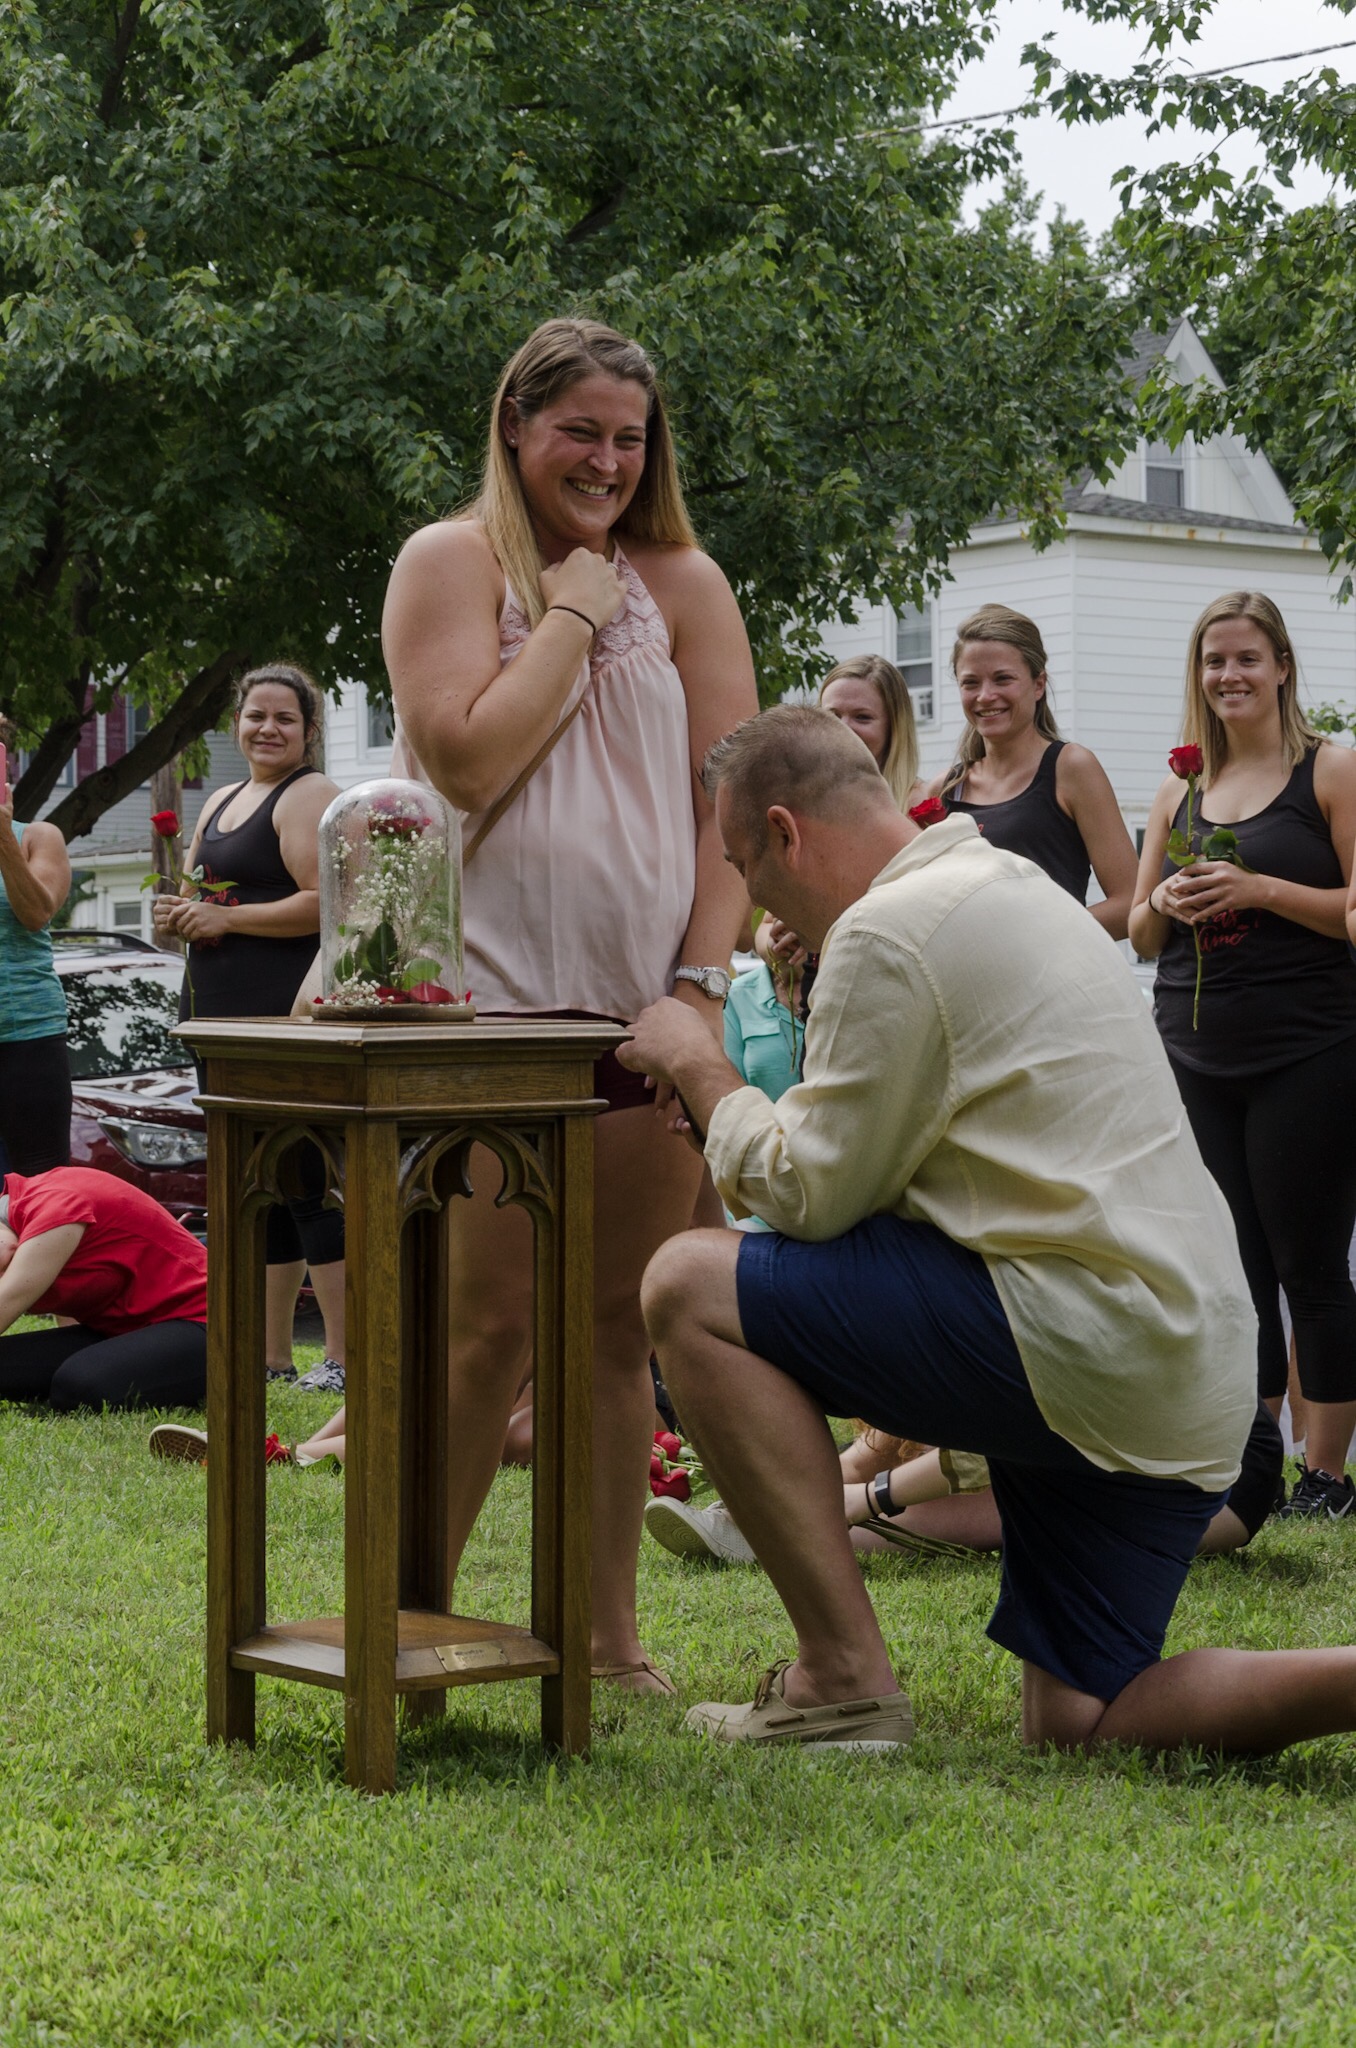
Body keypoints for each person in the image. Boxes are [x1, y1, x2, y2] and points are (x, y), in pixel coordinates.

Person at [623, 705, 1356, 1758]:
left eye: (746, 870)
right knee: (1079, 1724)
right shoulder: (1016, 886)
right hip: (1181, 1372)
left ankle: (841, 1679)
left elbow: (812, 1191)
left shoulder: (889, 929)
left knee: (688, 1286)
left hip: (1082, 1342)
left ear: (786, 832)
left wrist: (701, 1068)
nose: (756, 910)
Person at [383, 317, 756, 1692]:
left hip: (643, 1019)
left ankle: (607, 1643)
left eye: (629, 437)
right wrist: (576, 613)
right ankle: (410, 1621)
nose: (607, 460)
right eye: (579, 432)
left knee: (613, 1332)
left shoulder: (691, 584)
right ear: (514, 426)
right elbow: (466, 762)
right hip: (489, 1015)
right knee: (483, 1331)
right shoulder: (448, 563)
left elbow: (729, 811)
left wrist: (698, 988)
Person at [1131, 592, 1356, 1520]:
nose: (1229, 675)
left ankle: (1327, 1478)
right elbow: (1139, 934)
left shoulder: (1331, 769)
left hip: (1309, 1048)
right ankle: (1249, 1463)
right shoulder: (1177, 791)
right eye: (1214, 660)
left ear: (1282, 667)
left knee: (1310, 1261)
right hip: (1194, 1055)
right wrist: (1166, 901)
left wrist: (1260, 888)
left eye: (1247, 658)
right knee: (1229, 1266)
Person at [153, 665, 346, 1392]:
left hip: (279, 1018)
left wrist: (227, 920)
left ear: (309, 730)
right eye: (255, 715)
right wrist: (180, 913)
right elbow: (199, 898)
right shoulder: (222, 800)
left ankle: (342, 1358)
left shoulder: (311, 795)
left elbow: (329, 901)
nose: (268, 729)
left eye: (284, 718)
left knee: (307, 1178)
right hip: (214, 1017)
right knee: (256, 1184)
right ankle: (271, 1357)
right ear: (236, 722)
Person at [936, 604, 1136, 937]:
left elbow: (1130, 904)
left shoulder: (1071, 768)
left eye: (1003, 679)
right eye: (970, 683)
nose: (985, 696)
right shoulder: (945, 789)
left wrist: (1036, 939)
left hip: (1051, 969)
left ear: (1038, 684)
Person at [0, 1166, 206, 1410]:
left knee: (80, 1387)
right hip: (124, 1329)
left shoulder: (57, 1208)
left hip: (203, 1322)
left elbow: (7, 1300)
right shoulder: (21, 1209)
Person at [0, 787, 72, 1173]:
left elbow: (36, 913)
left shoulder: (38, 837)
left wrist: (3, 840)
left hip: (28, 1036)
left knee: (41, 1181)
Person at [818, 655, 923, 812]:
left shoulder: (921, 807)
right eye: (832, 715)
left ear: (894, 726)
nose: (843, 728)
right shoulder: (797, 801)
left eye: (862, 717)